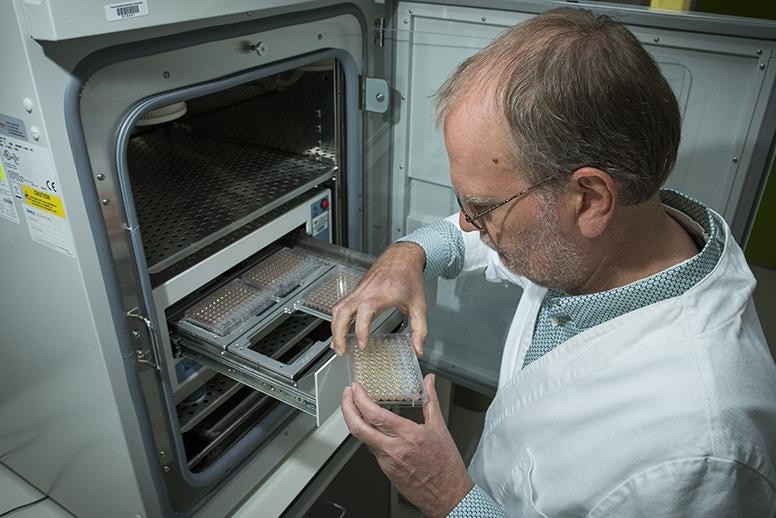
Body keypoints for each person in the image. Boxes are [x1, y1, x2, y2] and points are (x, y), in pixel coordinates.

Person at [331, 6, 776, 517]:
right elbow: (471, 240)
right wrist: (407, 254)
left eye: (483, 207)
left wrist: (448, 496)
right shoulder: (611, 242)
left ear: (589, 200)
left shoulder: (700, 451)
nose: (470, 224)